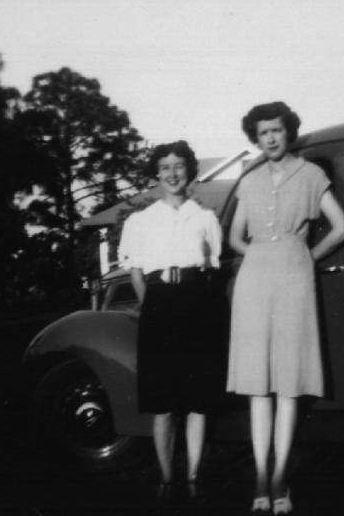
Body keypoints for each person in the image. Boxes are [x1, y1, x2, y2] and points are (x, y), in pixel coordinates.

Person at [226, 102, 344, 514]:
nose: (271, 138)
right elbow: (235, 238)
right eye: (263, 133)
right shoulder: (249, 180)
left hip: (295, 279)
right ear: (256, 137)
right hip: (254, 283)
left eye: (276, 130)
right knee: (258, 383)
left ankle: (281, 477)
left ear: (288, 132)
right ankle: (261, 477)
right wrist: (262, 255)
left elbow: (342, 228)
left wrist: (304, 256)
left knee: (288, 383)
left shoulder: (311, 175)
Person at [118, 141, 225, 503]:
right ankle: (166, 477)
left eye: (179, 166)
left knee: (197, 398)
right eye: (165, 167)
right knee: (163, 400)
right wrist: (152, 304)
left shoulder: (205, 218)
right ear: (156, 174)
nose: (172, 173)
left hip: (197, 304)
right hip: (159, 305)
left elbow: (212, 268)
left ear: (189, 170)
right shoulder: (140, 220)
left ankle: (193, 476)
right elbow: (135, 272)